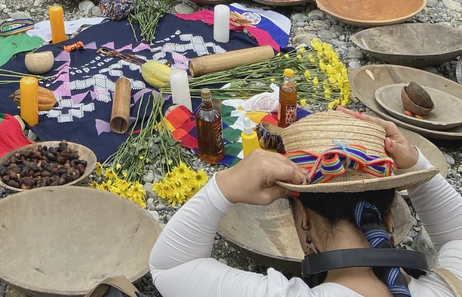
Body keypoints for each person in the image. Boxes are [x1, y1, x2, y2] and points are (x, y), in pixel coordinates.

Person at [150, 109, 461, 297]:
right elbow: (457, 236)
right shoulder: (447, 288)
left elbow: (170, 266)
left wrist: (224, 186)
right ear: (390, 218)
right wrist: (417, 164)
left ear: (305, 221)